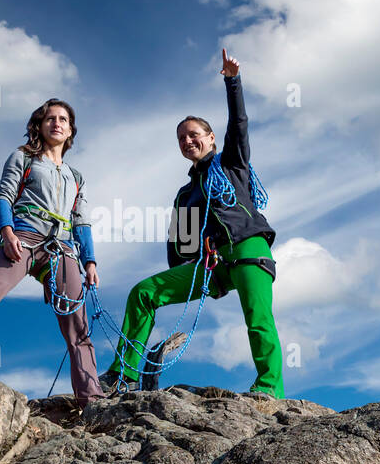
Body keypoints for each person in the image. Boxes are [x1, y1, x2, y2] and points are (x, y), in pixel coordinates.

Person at [100, 50, 284, 398]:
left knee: (258, 320)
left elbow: (239, 124)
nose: (187, 141)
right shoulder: (185, 195)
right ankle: (122, 374)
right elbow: (179, 251)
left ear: (211, 137)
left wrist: (233, 81)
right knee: (143, 292)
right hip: (209, 267)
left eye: (194, 134)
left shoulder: (232, 164)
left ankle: (269, 388)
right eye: (181, 138)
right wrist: (183, 272)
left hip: (247, 249)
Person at [0, 98, 104, 407]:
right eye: (50, 118)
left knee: (76, 323)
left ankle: (90, 397)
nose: (56, 123)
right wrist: (7, 232)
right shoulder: (23, 157)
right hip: (23, 237)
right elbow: (4, 196)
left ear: (70, 131)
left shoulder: (76, 177)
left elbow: (82, 221)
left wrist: (89, 261)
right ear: (39, 125)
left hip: (62, 249)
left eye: (63, 119)